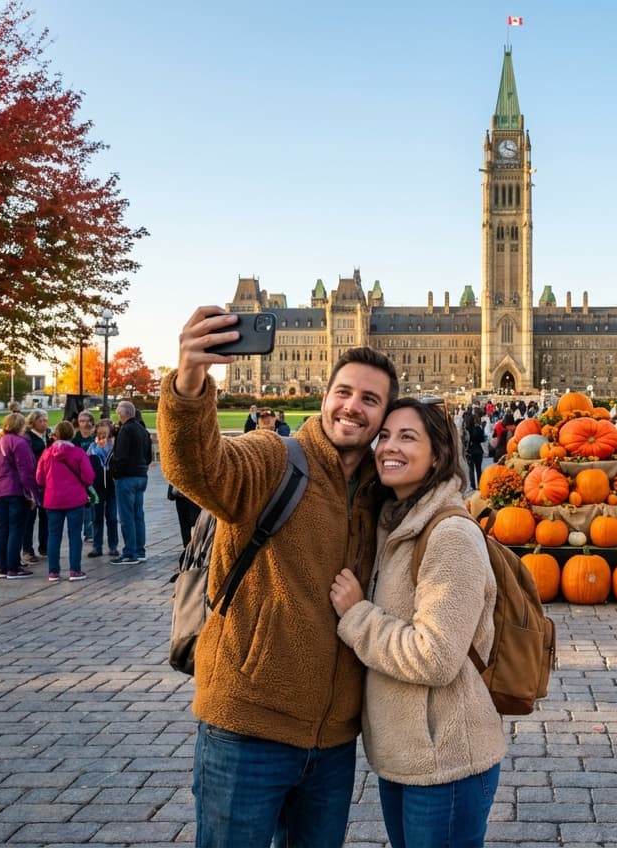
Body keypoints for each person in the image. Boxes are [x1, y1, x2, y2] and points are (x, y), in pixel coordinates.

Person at [157, 306, 397, 848]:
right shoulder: (273, 458)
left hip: (332, 743)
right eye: (344, 392)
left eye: (370, 399)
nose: (352, 406)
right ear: (325, 397)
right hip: (247, 729)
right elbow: (197, 467)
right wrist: (190, 381)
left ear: (384, 417)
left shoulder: (380, 496)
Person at [330, 397, 504, 848]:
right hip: (407, 758)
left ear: (438, 454)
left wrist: (357, 615)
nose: (390, 446)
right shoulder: (394, 523)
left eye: (408, 437)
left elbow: (436, 657)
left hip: (446, 762)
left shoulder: (450, 535)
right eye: (385, 436)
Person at [35, 420, 94, 582]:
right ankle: (75, 570)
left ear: (56, 435)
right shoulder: (78, 453)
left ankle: (53, 571)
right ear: (72, 434)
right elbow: (88, 476)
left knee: (53, 535)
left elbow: (39, 479)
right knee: (75, 535)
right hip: (75, 498)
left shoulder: (47, 453)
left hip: (53, 498)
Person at [0, 412, 41, 579]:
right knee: (16, 529)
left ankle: (2, 566)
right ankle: (13, 567)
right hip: (16, 490)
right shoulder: (20, 443)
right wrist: (31, 494)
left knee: (4, 528)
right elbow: (26, 470)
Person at [108, 400, 151, 565]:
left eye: (118, 413)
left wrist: (115, 473)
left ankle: (130, 553)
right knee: (138, 515)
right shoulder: (142, 430)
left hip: (127, 477)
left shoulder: (125, 430)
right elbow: (148, 456)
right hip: (141, 475)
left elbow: (121, 456)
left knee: (126, 516)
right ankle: (140, 551)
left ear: (122, 414)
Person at [86, 420, 119, 558]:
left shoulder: (114, 446)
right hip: (97, 487)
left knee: (112, 518)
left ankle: (113, 546)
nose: (102, 435)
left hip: (111, 486)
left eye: (105, 432)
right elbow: (87, 465)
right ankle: (97, 547)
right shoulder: (92, 447)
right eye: (99, 432)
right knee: (96, 518)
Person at [21, 410, 51, 562]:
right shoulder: (28, 438)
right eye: (41, 421)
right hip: (33, 480)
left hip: (46, 481)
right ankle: (27, 549)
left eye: (46, 420)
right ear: (33, 422)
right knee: (30, 517)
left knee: (45, 515)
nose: (44, 423)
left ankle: (44, 546)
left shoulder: (47, 436)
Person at [71, 411, 98, 542]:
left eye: (87, 420)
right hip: (79, 475)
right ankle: (87, 532)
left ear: (92, 422)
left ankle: (92, 531)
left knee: (94, 503)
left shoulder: (96, 437)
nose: (85, 423)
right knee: (85, 505)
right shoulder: (75, 438)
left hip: (95, 474)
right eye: (82, 421)